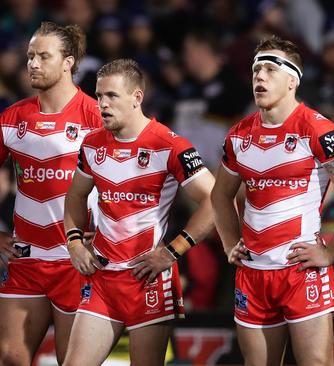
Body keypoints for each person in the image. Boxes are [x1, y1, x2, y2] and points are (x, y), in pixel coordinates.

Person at [212, 36, 334, 365]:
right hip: (253, 273)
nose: (259, 76)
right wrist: (231, 242)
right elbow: (219, 195)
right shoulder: (239, 135)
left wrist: (331, 252)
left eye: (270, 69)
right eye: (256, 69)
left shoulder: (317, 130)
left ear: (292, 80)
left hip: (301, 272)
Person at [62, 58, 215, 366]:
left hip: (148, 277)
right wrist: (75, 242)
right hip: (103, 277)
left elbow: (215, 200)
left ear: (137, 98)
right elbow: (75, 196)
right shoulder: (92, 144)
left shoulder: (170, 145)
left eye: (111, 96)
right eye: (98, 95)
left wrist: (173, 252)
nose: (102, 104)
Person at [0, 22, 103, 365]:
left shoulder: (96, 117)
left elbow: (128, 181)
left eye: (44, 56)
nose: (33, 63)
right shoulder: (12, 118)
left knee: (70, 361)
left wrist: (107, 236)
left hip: (77, 262)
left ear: (68, 63)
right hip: (26, 258)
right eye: (30, 56)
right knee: (10, 357)